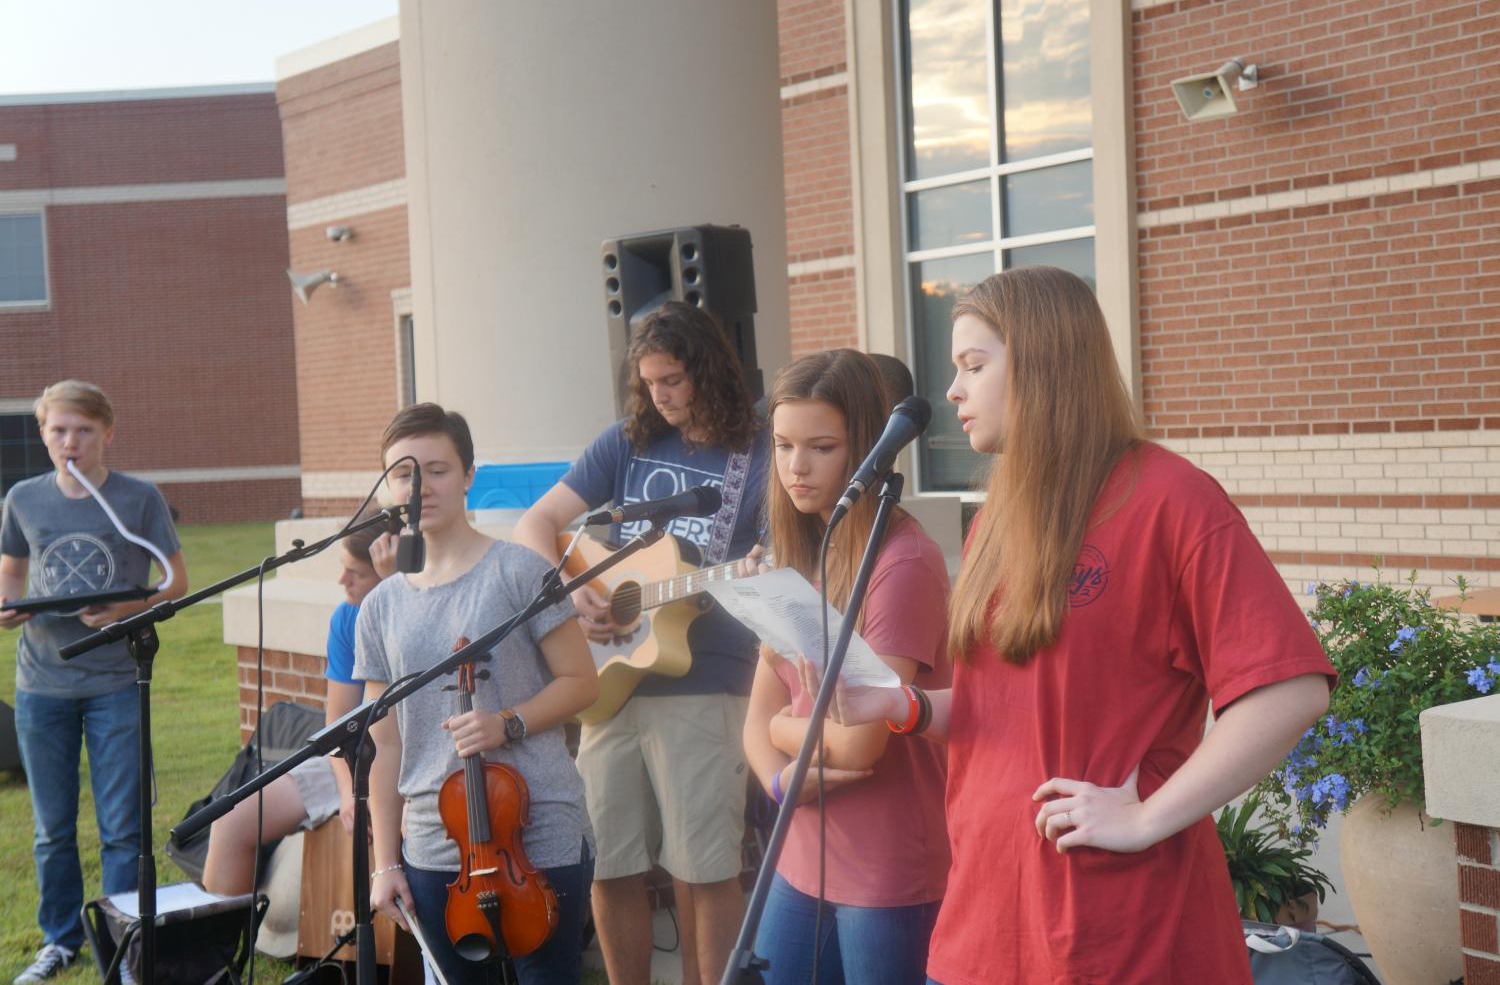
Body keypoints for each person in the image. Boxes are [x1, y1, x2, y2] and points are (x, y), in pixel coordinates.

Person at [820, 266, 1336, 984]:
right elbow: (1007, 712)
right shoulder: (997, 520)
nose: (954, 391)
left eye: (973, 365)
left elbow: (1292, 687)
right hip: (981, 928)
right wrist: (898, 704)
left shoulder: (1171, 499)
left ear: (1042, 364)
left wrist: (1148, 814)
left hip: (1117, 937)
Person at [514, 301, 769, 985]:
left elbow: (780, 559)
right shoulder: (625, 441)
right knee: (610, 858)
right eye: (651, 381)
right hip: (611, 682)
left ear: (710, 371)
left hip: (707, 679)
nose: (662, 395)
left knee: (705, 865)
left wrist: (759, 570)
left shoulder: (760, 447)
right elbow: (536, 523)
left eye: (676, 380)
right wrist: (572, 594)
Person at [359, 403, 598, 985]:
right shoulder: (380, 606)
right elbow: (384, 747)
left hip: (538, 832)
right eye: (404, 474)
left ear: (468, 475)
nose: (421, 487)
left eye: (437, 470)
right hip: (436, 849)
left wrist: (507, 722)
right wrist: (384, 861)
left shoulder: (518, 571)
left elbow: (582, 682)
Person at [740, 349, 951, 983]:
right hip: (801, 851)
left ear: (865, 449)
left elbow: (861, 747)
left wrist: (785, 739)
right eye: (781, 446)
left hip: (886, 869)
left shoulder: (904, 562)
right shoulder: (802, 549)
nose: (795, 468)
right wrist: (781, 782)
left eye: (821, 447)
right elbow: (753, 715)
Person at [0, 380, 190, 984]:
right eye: (59, 430)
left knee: (122, 828)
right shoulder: (24, 498)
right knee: (52, 829)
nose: (70, 442)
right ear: (43, 435)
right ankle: (60, 941)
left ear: (108, 432)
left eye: (83, 430)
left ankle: (122, 942)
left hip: (114, 682)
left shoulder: (137, 499)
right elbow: (10, 573)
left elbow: (175, 581)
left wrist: (123, 614)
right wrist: (11, 604)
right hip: (42, 686)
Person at [201, 518, 390, 896]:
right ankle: (221, 949)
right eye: (342, 568)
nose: (343, 582)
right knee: (232, 822)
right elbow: (338, 724)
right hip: (350, 764)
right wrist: (349, 792)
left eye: (357, 574)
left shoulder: (417, 612)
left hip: (404, 766)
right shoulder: (346, 617)